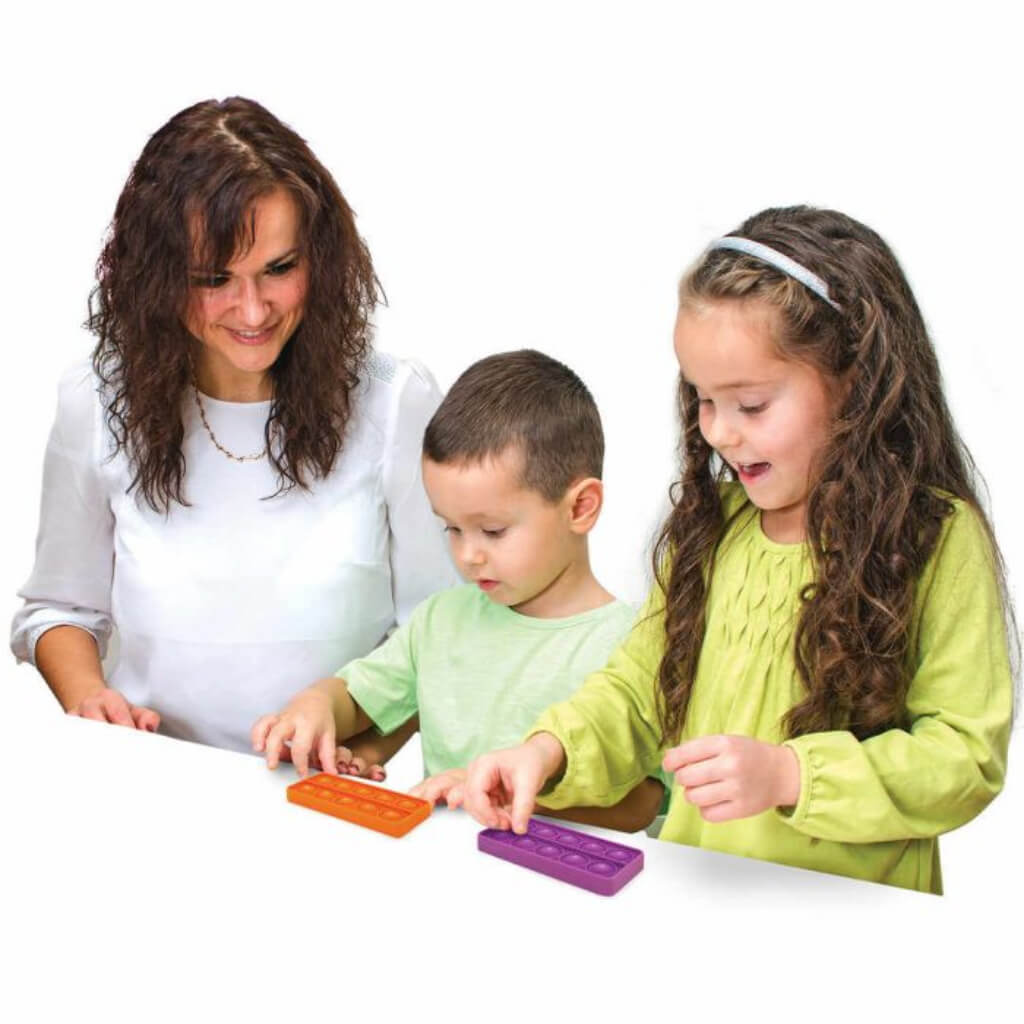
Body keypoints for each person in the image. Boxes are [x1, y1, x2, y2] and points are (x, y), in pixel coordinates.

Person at [459, 206, 1016, 892]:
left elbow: (965, 757)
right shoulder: (712, 529)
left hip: (853, 921)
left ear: (856, 385)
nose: (719, 432)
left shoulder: (934, 536)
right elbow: (640, 694)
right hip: (700, 894)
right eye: (702, 400)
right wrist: (545, 752)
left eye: (751, 405)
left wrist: (791, 776)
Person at [10, 97, 456, 754]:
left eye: (280, 268)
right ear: (154, 280)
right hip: (150, 783)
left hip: (326, 798)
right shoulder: (96, 402)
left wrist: (360, 757)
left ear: (322, 259)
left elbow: (439, 631)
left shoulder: (395, 402)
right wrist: (88, 698)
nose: (253, 310)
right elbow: (58, 610)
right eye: (212, 279)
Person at [252, 350, 666, 832]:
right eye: (451, 528)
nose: (467, 555)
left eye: (491, 531)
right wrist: (315, 708)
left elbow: (645, 801)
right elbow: (356, 698)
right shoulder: (440, 621)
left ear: (581, 508)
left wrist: (499, 796)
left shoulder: (634, 644)